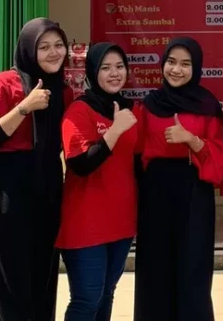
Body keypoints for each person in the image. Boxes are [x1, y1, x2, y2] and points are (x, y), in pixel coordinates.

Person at [133, 37, 223, 321]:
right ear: (163, 64)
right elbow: (136, 153)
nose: (177, 70)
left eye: (185, 64)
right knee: (155, 268)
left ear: (196, 67)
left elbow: (221, 158)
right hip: (155, 193)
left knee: (193, 267)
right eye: (171, 62)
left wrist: (191, 140)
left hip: (193, 192)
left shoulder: (207, 105)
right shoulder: (149, 104)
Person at [0, 18, 73, 321]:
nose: (54, 52)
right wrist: (25, 107)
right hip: (9, 190)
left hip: (47, 188)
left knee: (42, 278)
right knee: (11, 281)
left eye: (59, 45)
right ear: (28, 49)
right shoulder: (4, 82)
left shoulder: (63, 92)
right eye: (44, 46)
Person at [57, 43, 140, 321]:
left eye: (119, 66)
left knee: (107, 294)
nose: (114, 73)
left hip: (122, 222)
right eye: (106, 68)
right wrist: (114, 131)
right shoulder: (79, 110)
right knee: (87, 299)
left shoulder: (131, 110)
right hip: (86, 223)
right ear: (93, 72)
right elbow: (80, 164)